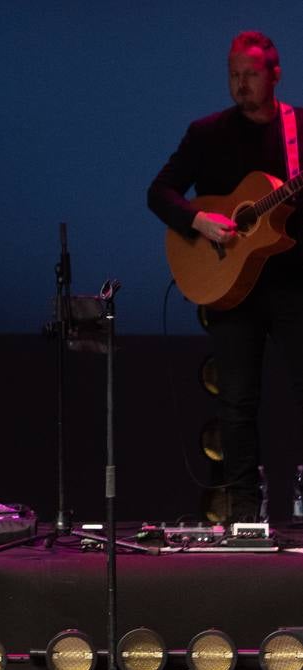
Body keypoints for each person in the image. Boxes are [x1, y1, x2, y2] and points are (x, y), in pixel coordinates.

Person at [147, 30, 302, 522]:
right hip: (231, 289)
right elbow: (160, 192)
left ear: (275, 75)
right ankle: (241, 512)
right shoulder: (207, 133)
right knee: (236, 402)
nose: (241, 84)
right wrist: (199, 222)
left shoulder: (298, 130)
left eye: (251, 74)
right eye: (234, 75)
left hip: (293, 283)